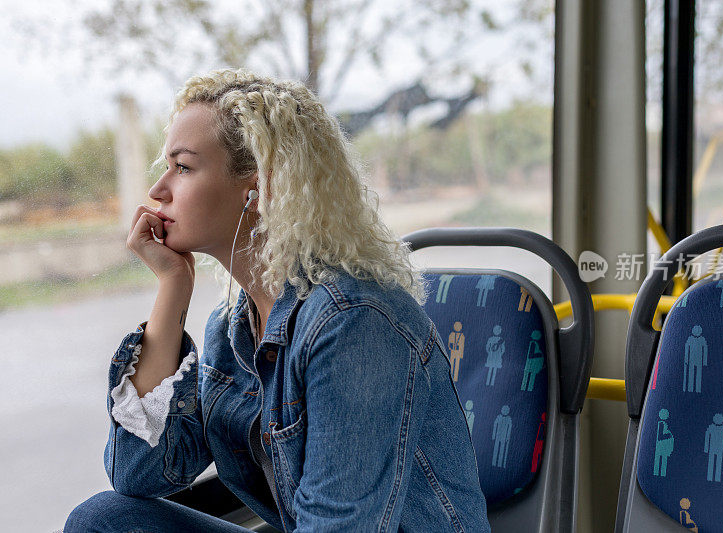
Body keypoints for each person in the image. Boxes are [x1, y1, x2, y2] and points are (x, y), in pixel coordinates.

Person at [64, 68, 490, 532]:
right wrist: (173, 287)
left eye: (183, 167)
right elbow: (137, 476)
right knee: (105, 520)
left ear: (258, 189)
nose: (158, 190)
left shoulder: (356, 322)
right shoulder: (232, 329)